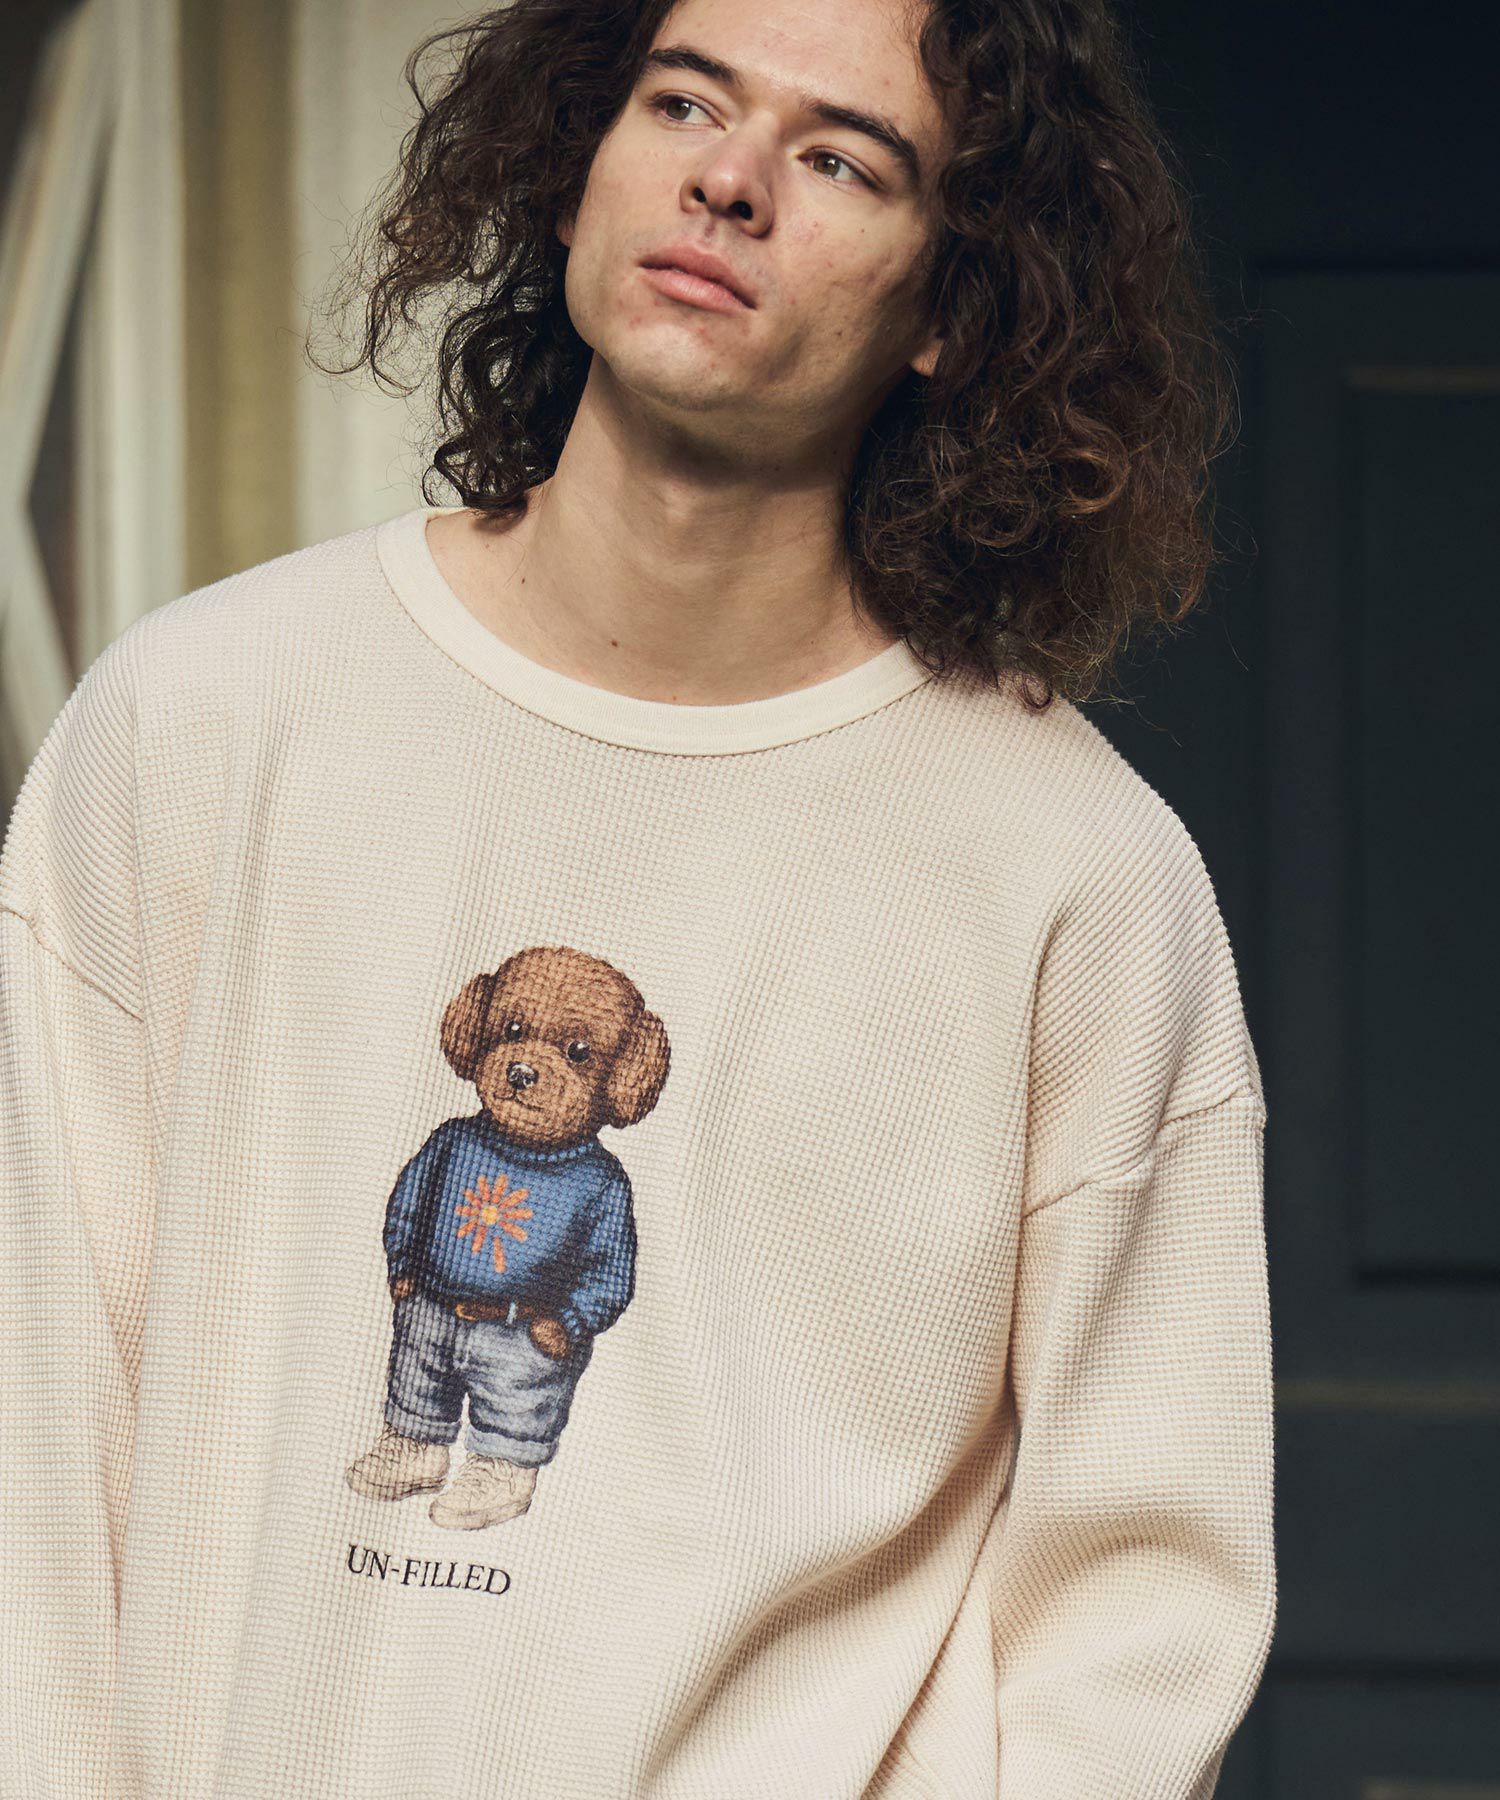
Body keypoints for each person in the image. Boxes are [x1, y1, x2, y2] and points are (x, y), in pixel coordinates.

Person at [0, 0, 1274, 1794]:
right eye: (684, 100)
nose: (731, 180)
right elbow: (36, 1425)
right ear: (576, 165)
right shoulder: (201, 720)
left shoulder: (1076, 880)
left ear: (951, 309)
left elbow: (1138, 1611)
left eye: (843, 159)